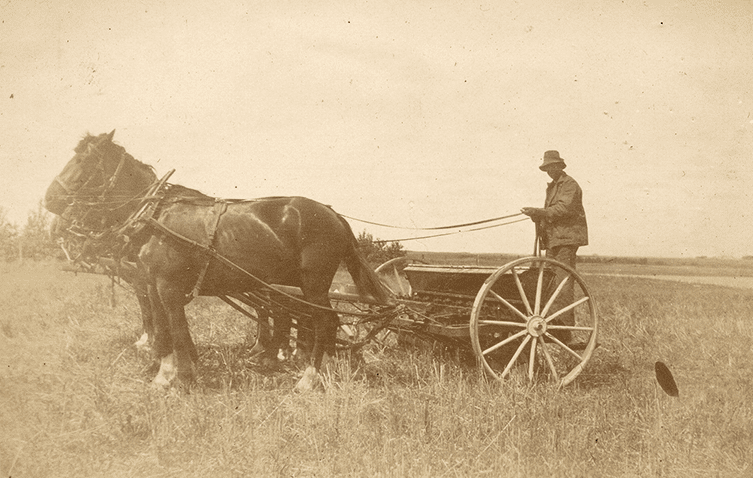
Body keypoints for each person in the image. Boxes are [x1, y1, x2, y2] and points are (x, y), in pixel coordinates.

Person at [521, 150, 588, 344]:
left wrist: (539, 212)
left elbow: (563, 209)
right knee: (550, 281)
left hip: (566, 239)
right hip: (553, 239)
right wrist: (538, 215)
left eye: (552, 167)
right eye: (547, 168)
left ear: (560, 166)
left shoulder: (570, 185)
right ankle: (552, 321)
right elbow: (551, 212)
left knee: (562, 282)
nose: (550, 171)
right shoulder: (552, 186)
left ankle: (564, 328)